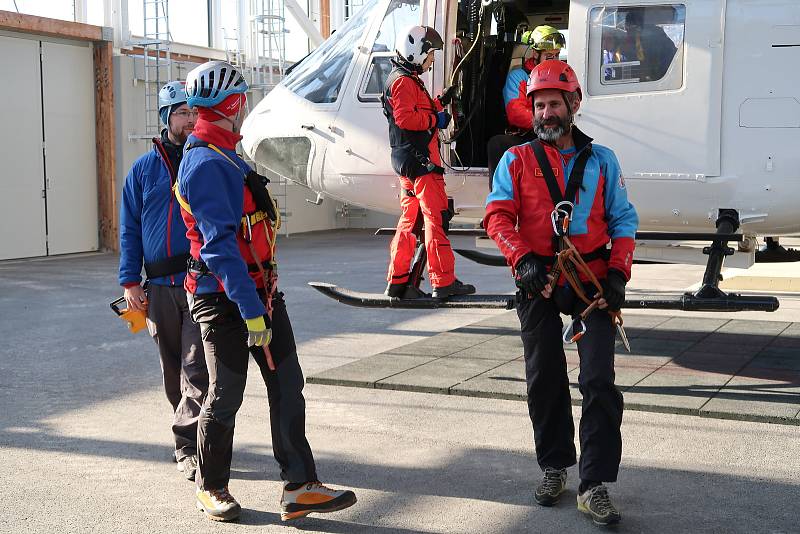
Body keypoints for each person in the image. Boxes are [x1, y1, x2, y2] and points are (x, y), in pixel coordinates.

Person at [175, 60, 356, 522]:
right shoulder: (207, 163)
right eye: (242, 100)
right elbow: (219, 249)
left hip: (259, 292)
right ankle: (211, 485)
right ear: (233, 103)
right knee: (227, 392)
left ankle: (299, 486)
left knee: (286, 383)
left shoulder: (226, 153)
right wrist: (253, 311)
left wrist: (261, 302)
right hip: (225, 299)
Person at [484, 60, 638, 527]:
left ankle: (593, 485)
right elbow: (497, 217)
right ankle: (554, 466)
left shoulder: (603, 160)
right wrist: (522, 259)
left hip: (590, 284)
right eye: (539, 105)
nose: (546, 113)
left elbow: (624, 222)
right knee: (544, 376)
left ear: (574, 105)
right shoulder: (517, 160)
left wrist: (617, 277)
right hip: (539, 281)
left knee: (598, 381)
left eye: (554, 103)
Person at [118, 80, 207, 482]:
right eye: (181, 113)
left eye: (193, 112)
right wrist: (129, 282)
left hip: (197, 282)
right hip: (156, 287)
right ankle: (191, 436)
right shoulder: (142, 171)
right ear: (165, 118)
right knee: (172, 370)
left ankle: (188, 445)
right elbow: (129, 230)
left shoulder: (207, 160)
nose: (189, 120)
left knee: (196, 367)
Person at [383, 25, 475, 299]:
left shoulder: (404, 80)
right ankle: (443, 282)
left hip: (408, 164)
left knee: (409, 223)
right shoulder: (403, 82)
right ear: (416, 52)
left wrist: (439, 102)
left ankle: (397, 282)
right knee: (436, 221)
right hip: (423, 166)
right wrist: (438, 120)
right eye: (430, 55)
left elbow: (415, 109)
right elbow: (407, 119)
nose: (432, 60)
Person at [486, 25, 565, 180]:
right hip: (530, 134)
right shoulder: (519, 76)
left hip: (556, 133)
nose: (554, 60)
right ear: (535, 53)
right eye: (549, 55)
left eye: (557, 55)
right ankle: (500, 198)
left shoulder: (563, 76)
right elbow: (516, 114)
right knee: (496, 145)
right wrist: (547, 121)